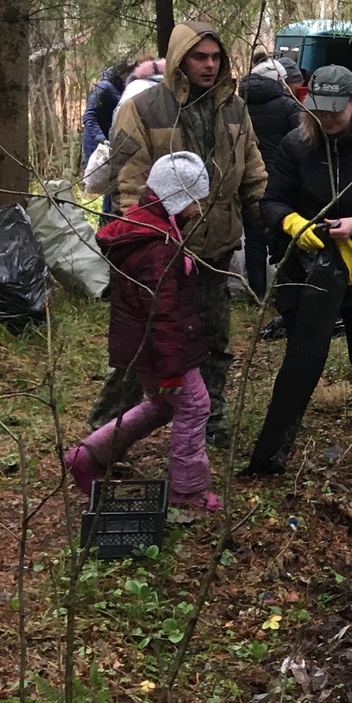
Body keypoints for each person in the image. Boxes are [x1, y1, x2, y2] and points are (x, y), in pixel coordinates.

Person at [244, 65, 352, 479]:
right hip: (307, 269)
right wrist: (290, 224)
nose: (328, 119)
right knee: (302, 359)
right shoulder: (294, 145)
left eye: (336, 111)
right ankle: (275, 450)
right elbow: (271, 201)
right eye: (320, 111)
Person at [100, 22, 267, 447]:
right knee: (141, 353)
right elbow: (128, 183)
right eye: (200, 57)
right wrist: (149, 242)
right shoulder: (143, 108)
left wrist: (267, 214)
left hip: (215, 250)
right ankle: (106, 433)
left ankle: (210, 422)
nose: (209, 66)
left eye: (215, 57)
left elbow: (251, 168)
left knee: (213, 341)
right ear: (179, 60)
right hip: (162, 255)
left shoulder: (234, 108)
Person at [63, 152, 224, 513]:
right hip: (162, 350)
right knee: (195, 406)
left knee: (162, 405)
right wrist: (172, 369)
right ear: (178, 199)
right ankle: (188, 490)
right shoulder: (157, 248)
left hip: (145, 348)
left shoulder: (148, 228)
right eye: (196, 200)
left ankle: (88, 456)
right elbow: (161, 313)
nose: (199, 208)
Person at [239, 59, 303, 303]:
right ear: (279, 80)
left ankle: (257, 294)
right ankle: (287, 289)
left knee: (253, 237)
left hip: (246, 176)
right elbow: (301, 140)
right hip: (279, 178)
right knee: (282, 233)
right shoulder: (288, 105)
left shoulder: (237, 104)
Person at [81, 60, 135, 167]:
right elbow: (89, 115)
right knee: (95, 177)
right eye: (128, 74)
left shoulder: (122, 89)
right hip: (96, 141)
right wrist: (100, 138)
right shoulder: (104, 87)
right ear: (121, 73)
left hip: (109, 138)